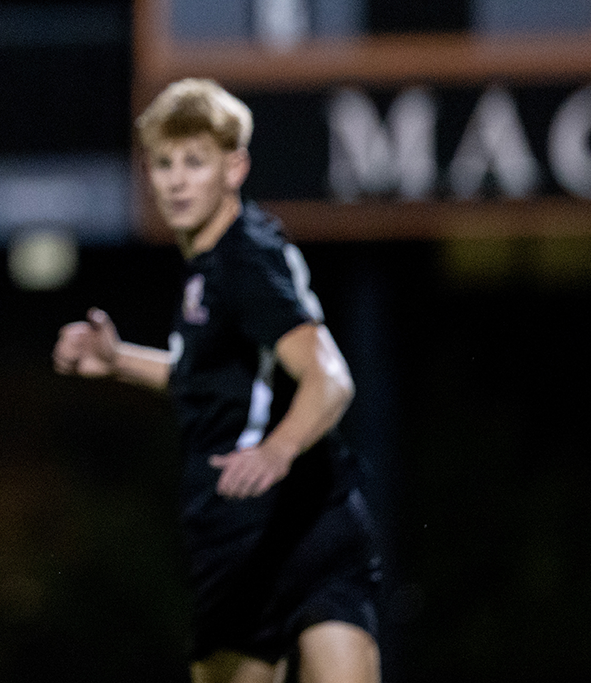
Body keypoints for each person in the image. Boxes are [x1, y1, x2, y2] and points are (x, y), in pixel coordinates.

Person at [52, 79, 383, 683]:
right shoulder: (218, 259)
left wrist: (278, 450)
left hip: (262, 524)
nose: (176, 181)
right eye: (163, 163)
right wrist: (119, 358)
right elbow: (214, 382)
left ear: (235, 167)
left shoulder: (241, 262)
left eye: (194, 162)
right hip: (313, 516)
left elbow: (330, 376)